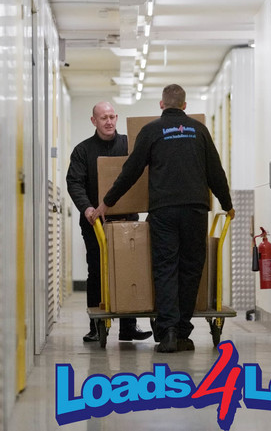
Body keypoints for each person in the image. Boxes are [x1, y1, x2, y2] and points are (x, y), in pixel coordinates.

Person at [94, 85, 235, 353]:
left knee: (166, 267)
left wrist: (107, 202)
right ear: (184, 105)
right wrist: (227, 204)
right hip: (195, 209)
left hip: (164, 211)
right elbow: (215, 171)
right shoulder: (199, 130)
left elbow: (131, 171)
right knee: (191, 267)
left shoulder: (151, 131)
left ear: (161, 105)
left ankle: (168, 331)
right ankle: (183, 332)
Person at [66, 101, 153, 343]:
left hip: (128, 220)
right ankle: (96, 326)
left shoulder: (129, 145)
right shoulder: (82, 151)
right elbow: (74, 182)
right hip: (95, 222)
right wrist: (87, 208)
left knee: (130, 269)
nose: (109, 121)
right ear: (93, 121)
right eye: (103, 117)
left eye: (112, 116)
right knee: (97, 270)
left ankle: (128, 327)